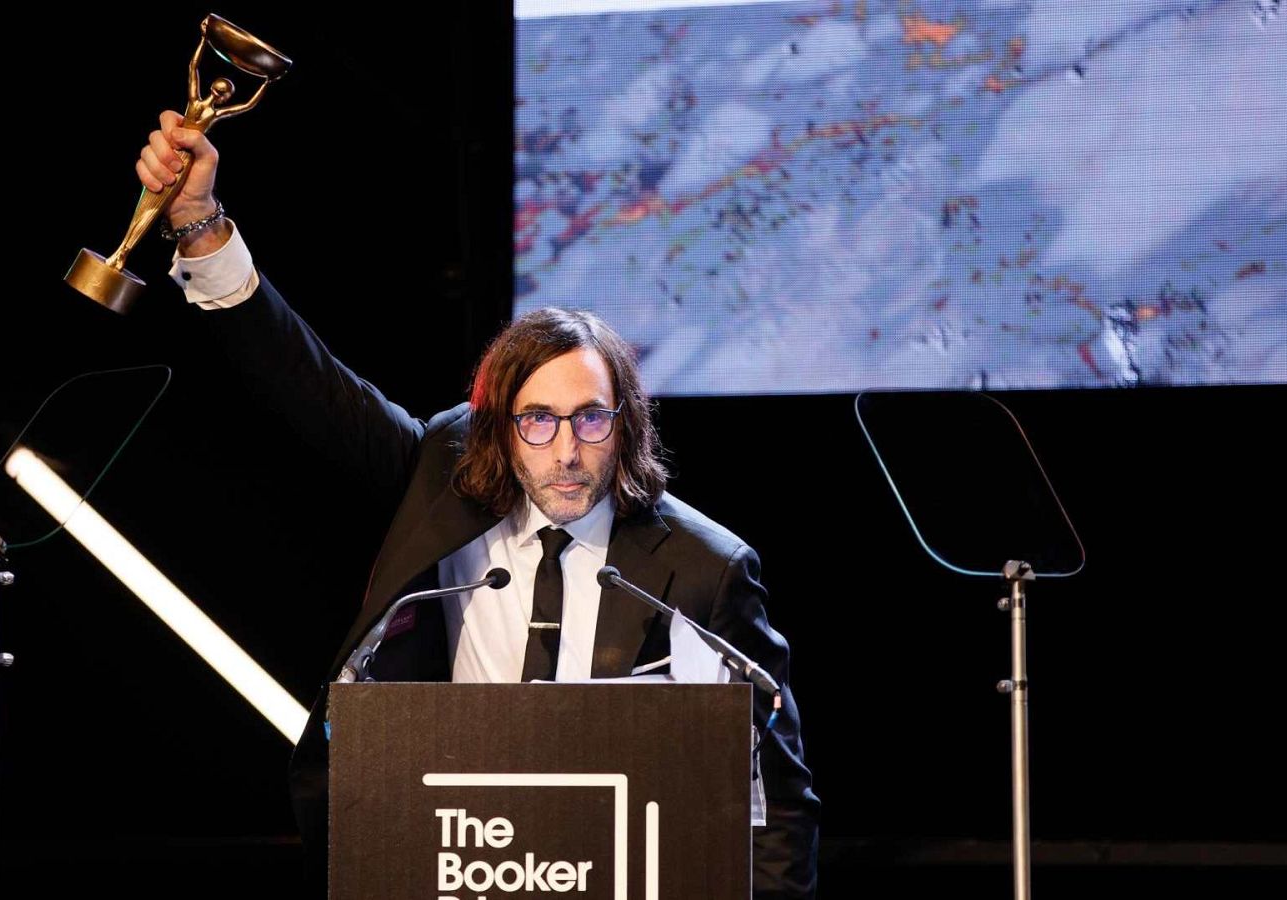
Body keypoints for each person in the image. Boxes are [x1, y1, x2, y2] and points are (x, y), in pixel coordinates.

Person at [136, 110, 821, 898]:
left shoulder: (707, 572)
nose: (566, 451)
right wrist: (198, 222)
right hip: (450, 858)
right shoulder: (444, 479)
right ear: (500, 428)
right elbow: (308, 384)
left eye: (591, 418)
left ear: (625, 422)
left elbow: (776, 800)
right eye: (537, 421)